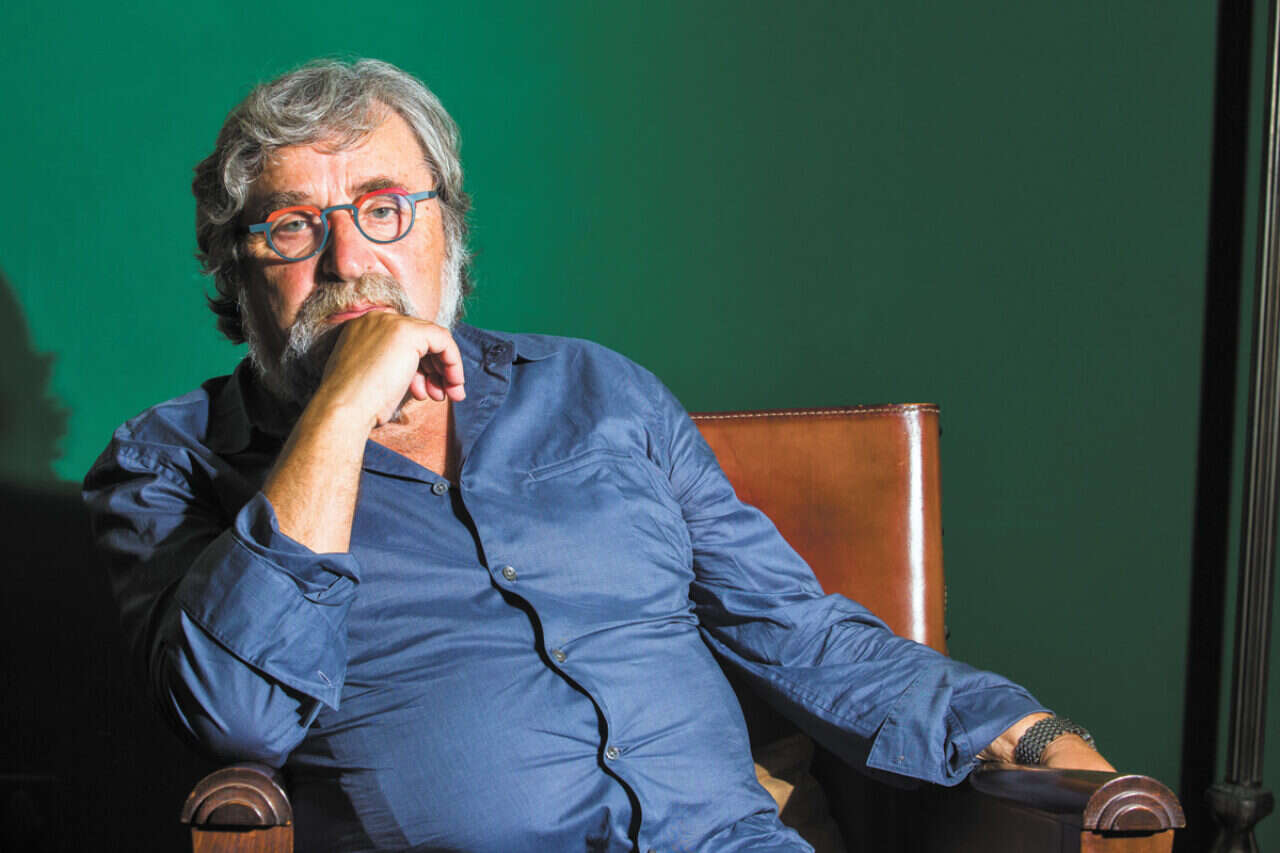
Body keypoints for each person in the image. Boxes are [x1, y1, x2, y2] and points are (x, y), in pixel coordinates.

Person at [83, 58, 1112, 852]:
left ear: (446, 231)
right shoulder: (169, 462)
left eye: (385, 209)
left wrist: (1029, 738)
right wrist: (343, 405)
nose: (350, 260)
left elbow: (798, 632)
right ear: (236, 269)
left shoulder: (597, 392)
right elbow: (234, 716)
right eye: (292, 228)